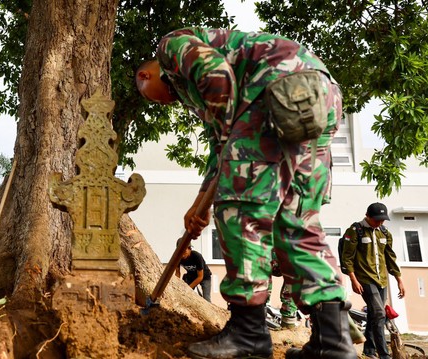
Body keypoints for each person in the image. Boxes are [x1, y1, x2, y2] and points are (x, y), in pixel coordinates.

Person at [136, 27, 355, 359]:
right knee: (294, 221)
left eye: (155, 95)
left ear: (146, 74)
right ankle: (333, 343)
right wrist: (200, 205)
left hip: (273, 90)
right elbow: (220, 148)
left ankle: (248, 334)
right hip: (316, 96)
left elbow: (218, 78)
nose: (167, 101)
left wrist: (232, 156)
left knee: (241, 211)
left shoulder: (172, 47)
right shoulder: (201, 95)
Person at [341, 202, 405, 359]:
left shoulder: (384, 232)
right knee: (379, 313)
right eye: (377, 219)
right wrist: (353, 280)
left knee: (374, 315)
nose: (380, 222)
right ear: (367, 216)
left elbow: (390, 257)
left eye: (383, 220)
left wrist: (399, 280)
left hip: (381, 279)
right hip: (364, 279)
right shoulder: (356, 231)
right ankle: (384, 354)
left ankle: (369, 350)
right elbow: (347, 257)